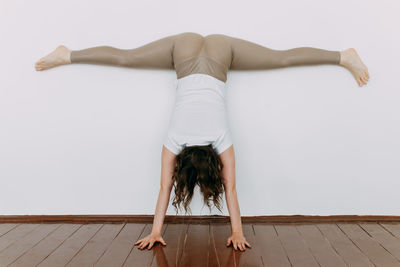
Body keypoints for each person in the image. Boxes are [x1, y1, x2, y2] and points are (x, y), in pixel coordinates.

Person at [35, 32, 369, 252]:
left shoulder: (220, 138)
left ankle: (69, 54)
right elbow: (164, 189)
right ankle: (342, 55)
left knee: (278, 58)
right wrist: (155, 230)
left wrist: (238, 232)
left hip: (218, 55)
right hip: (184, 52)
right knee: (127, 57)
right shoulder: (174, 140)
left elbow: (231, 191)